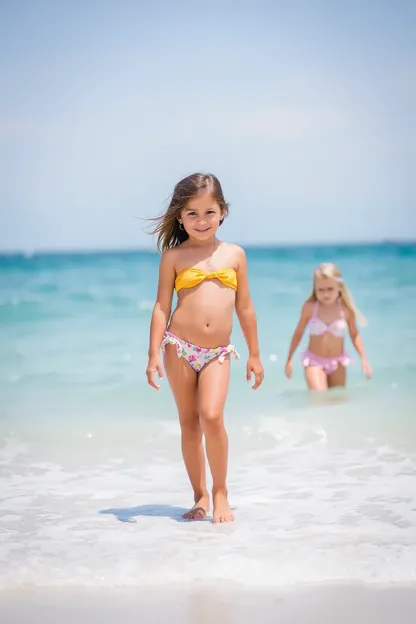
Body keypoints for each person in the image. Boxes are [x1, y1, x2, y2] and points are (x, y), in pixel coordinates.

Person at [146, 173, 264, 523]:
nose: (201, 221)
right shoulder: (173, 257)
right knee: (189, 422)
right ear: (180, 217)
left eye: (209, 212)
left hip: (218, 352)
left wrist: (254, 354)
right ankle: (199, 497)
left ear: (223, 211)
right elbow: (161, 307)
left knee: (212, 416)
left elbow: (245, 307)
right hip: (178, 347)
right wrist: (153, 353)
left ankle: (220, 491)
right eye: (192, 213)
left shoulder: (235, 255)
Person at [285, 262, 372, 391]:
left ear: (339, 287)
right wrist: (289, 359)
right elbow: (298, 333)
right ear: (315, 289)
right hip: (314, 361)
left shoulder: (345, 310)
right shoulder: (310, 308)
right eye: (321, 290)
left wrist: (364, 360)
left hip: (338, 362)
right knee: (319, 397)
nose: (326, 294)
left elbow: (354, 335)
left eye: (330, 289)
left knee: (337, 401)